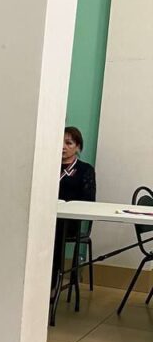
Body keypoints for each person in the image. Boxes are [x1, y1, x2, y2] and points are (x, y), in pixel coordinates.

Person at [53, 126, 97, 294]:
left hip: (69, 222)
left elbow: (88, 201)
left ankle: (51, 283)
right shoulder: (48, 166)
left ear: (78, 147)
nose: (63, 147)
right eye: (60, 142)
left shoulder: (85, 170)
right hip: (47, 217)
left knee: (55, 230)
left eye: (69, 143)